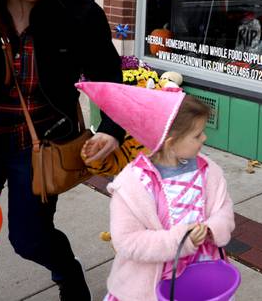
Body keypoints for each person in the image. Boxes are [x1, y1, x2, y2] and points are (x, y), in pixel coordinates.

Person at [0, 0, 126, 301]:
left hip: (38, 145)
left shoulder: (77, 10)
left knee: (31, 238)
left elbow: (107, 74)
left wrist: (111, 128)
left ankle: (69, 274)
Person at [75, 81, 235, 301]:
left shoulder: (208, 171)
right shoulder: (133, 185)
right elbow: (127, 242)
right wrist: (180, 240)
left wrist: (212, 228)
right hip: (148, 287)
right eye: (197, 135)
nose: (204, 138)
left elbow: (223, 208)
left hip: (203, 273)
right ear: (170, 143)